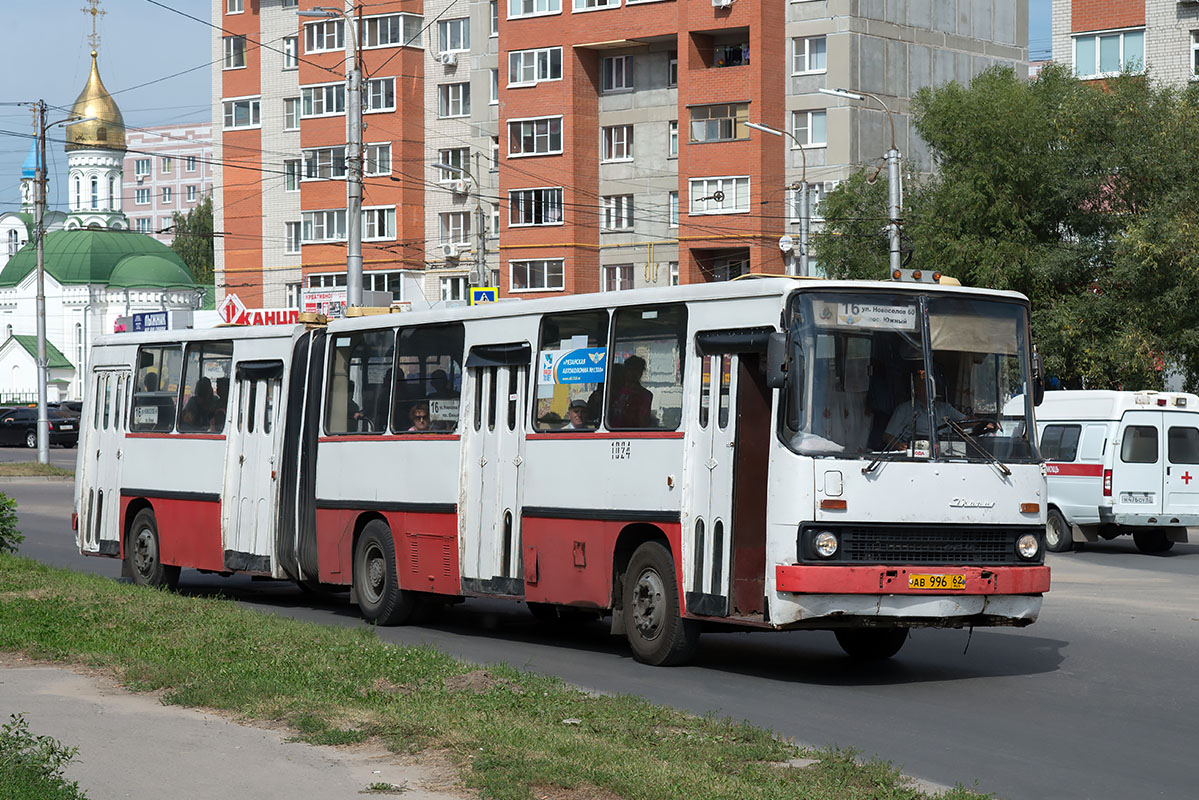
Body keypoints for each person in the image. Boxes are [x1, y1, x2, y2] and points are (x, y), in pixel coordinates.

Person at [883, 368, 982, 449]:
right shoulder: (904, 409)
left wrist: (981, 422)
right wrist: (899, 446)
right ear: (916, 390)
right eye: (926, 386)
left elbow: (965, 421)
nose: (932, 389)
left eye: (932, 386)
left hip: (946, 454)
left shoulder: (945, 408)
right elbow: (887, 436)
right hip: (917, 457)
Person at [609, 356, 653, 428]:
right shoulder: (613, 392)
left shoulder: (645, 395)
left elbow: (643, 422)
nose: (633, 374)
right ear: (625, 371)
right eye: (631, 370)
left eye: (637, 370)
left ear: (641, 373)